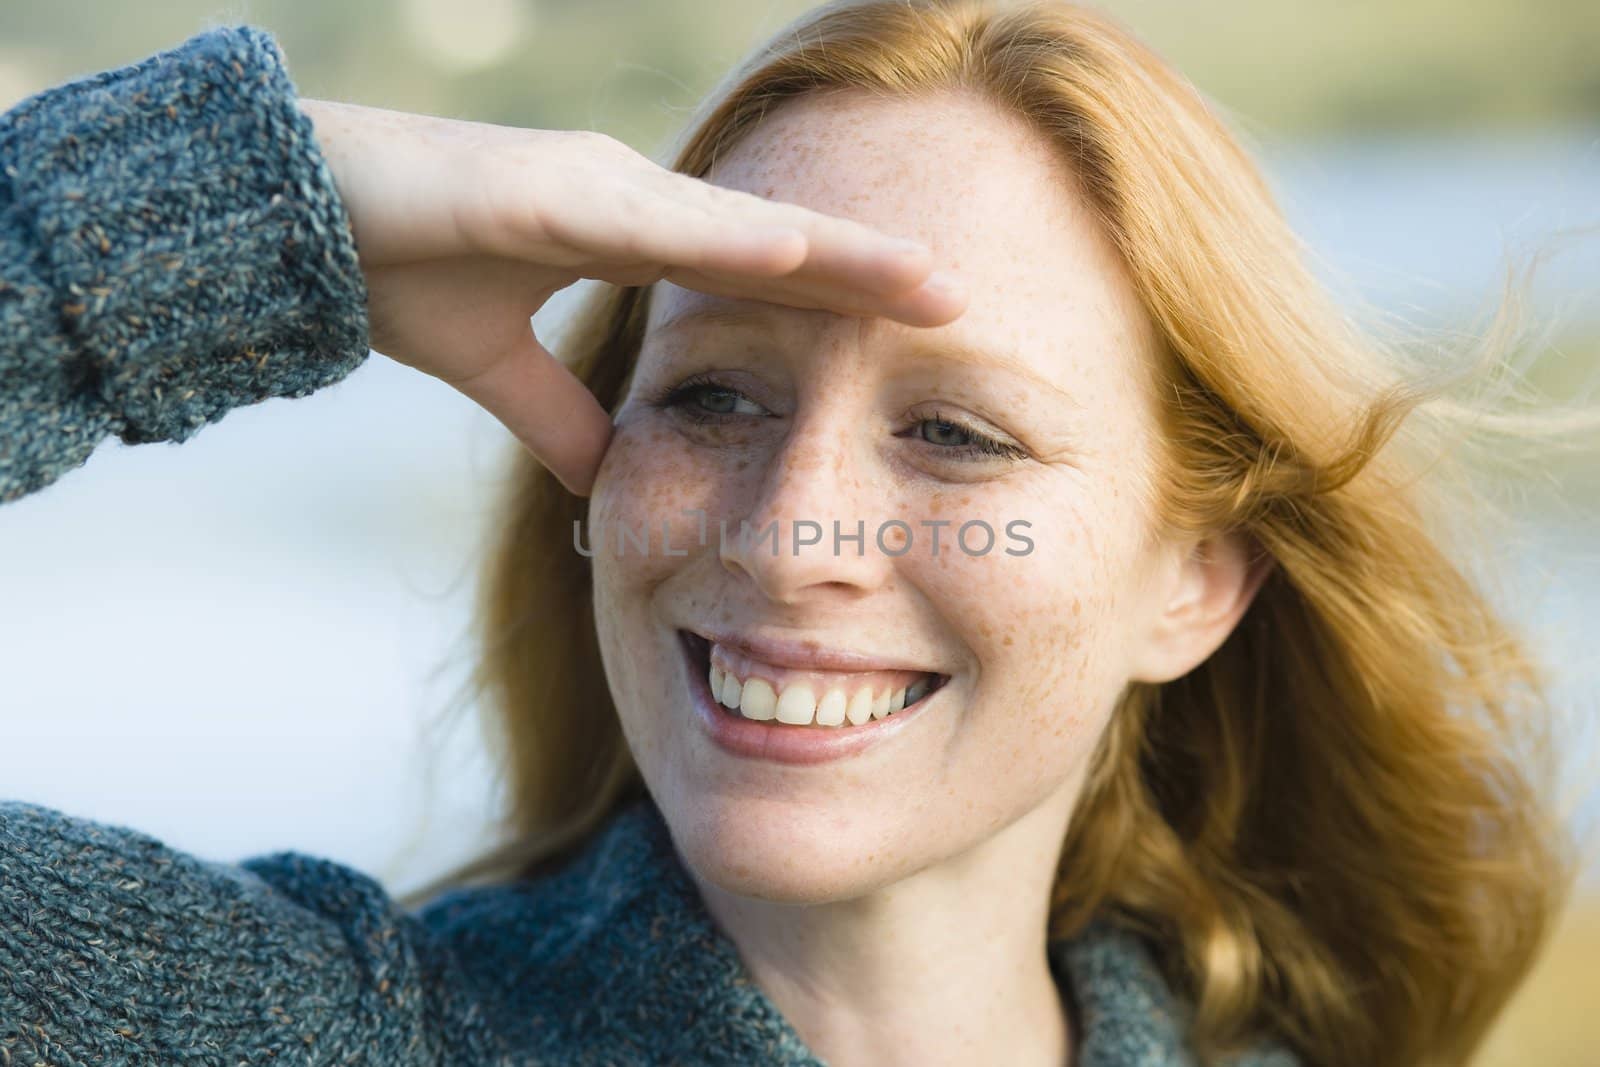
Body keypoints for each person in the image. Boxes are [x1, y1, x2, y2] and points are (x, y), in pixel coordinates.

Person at [0, 3, 1586, 1066]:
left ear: (1195, 582)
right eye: (711, 398)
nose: (783, 533)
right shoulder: (281, 1027)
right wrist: (256, 211)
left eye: (955, 434)